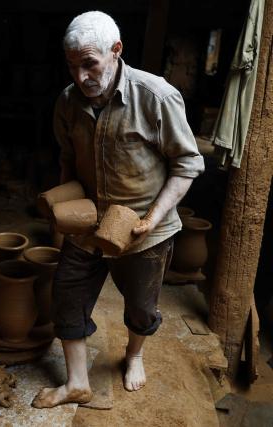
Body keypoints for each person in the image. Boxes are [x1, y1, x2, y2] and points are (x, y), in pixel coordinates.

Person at [32, 11, 204, 408]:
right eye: (72, 66)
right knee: (67, 296)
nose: (80, 77)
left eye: (89, 64)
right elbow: (66, 158)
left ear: (116, 51)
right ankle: (77, 383)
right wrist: (63, 207)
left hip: (146, 226)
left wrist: (151, 219)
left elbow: (187, 165)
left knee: (142, 307)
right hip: (88, 221)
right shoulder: (68, 102)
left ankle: (135, 355)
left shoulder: (156, 96)